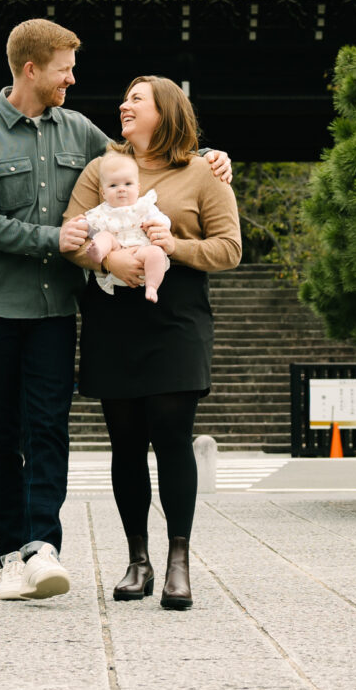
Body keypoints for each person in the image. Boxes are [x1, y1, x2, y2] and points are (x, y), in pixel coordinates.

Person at [0, 21, 229, 603]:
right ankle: (11, 554)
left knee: (49, 427)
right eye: (65, 68)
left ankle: (43, 547)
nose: (74, 79)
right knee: (0, 435)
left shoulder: (79, 132)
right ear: (32, 69)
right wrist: (57, 241)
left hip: (55, 307)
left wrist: (209, 156)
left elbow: (143, 157)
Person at [60, 75, 240, 610]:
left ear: (166, 110)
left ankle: (178, 560)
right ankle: (137, 559)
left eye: (136, 98)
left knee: (172, 435)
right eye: (125, 98)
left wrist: (175, 247)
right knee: (126, 441)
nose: (124, 104)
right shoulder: (102, 168)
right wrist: (106, 257)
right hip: (113, 314)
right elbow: (72, 234)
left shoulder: (203, 171)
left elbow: (229, 248)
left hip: (176, 315)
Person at [76, 151, 171, 301]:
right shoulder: (101, 211)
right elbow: (88, 226)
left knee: (155, 253)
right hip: (115, 253)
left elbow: (163, 221)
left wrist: (158, 224)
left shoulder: (144, 206)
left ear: (138, 187)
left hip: (141, 251)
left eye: (128, 184)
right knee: (104, 236)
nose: (121, 189)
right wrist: (81, 225)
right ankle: (98, 252)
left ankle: (152, 286)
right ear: (104, 192)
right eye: (113, 185)